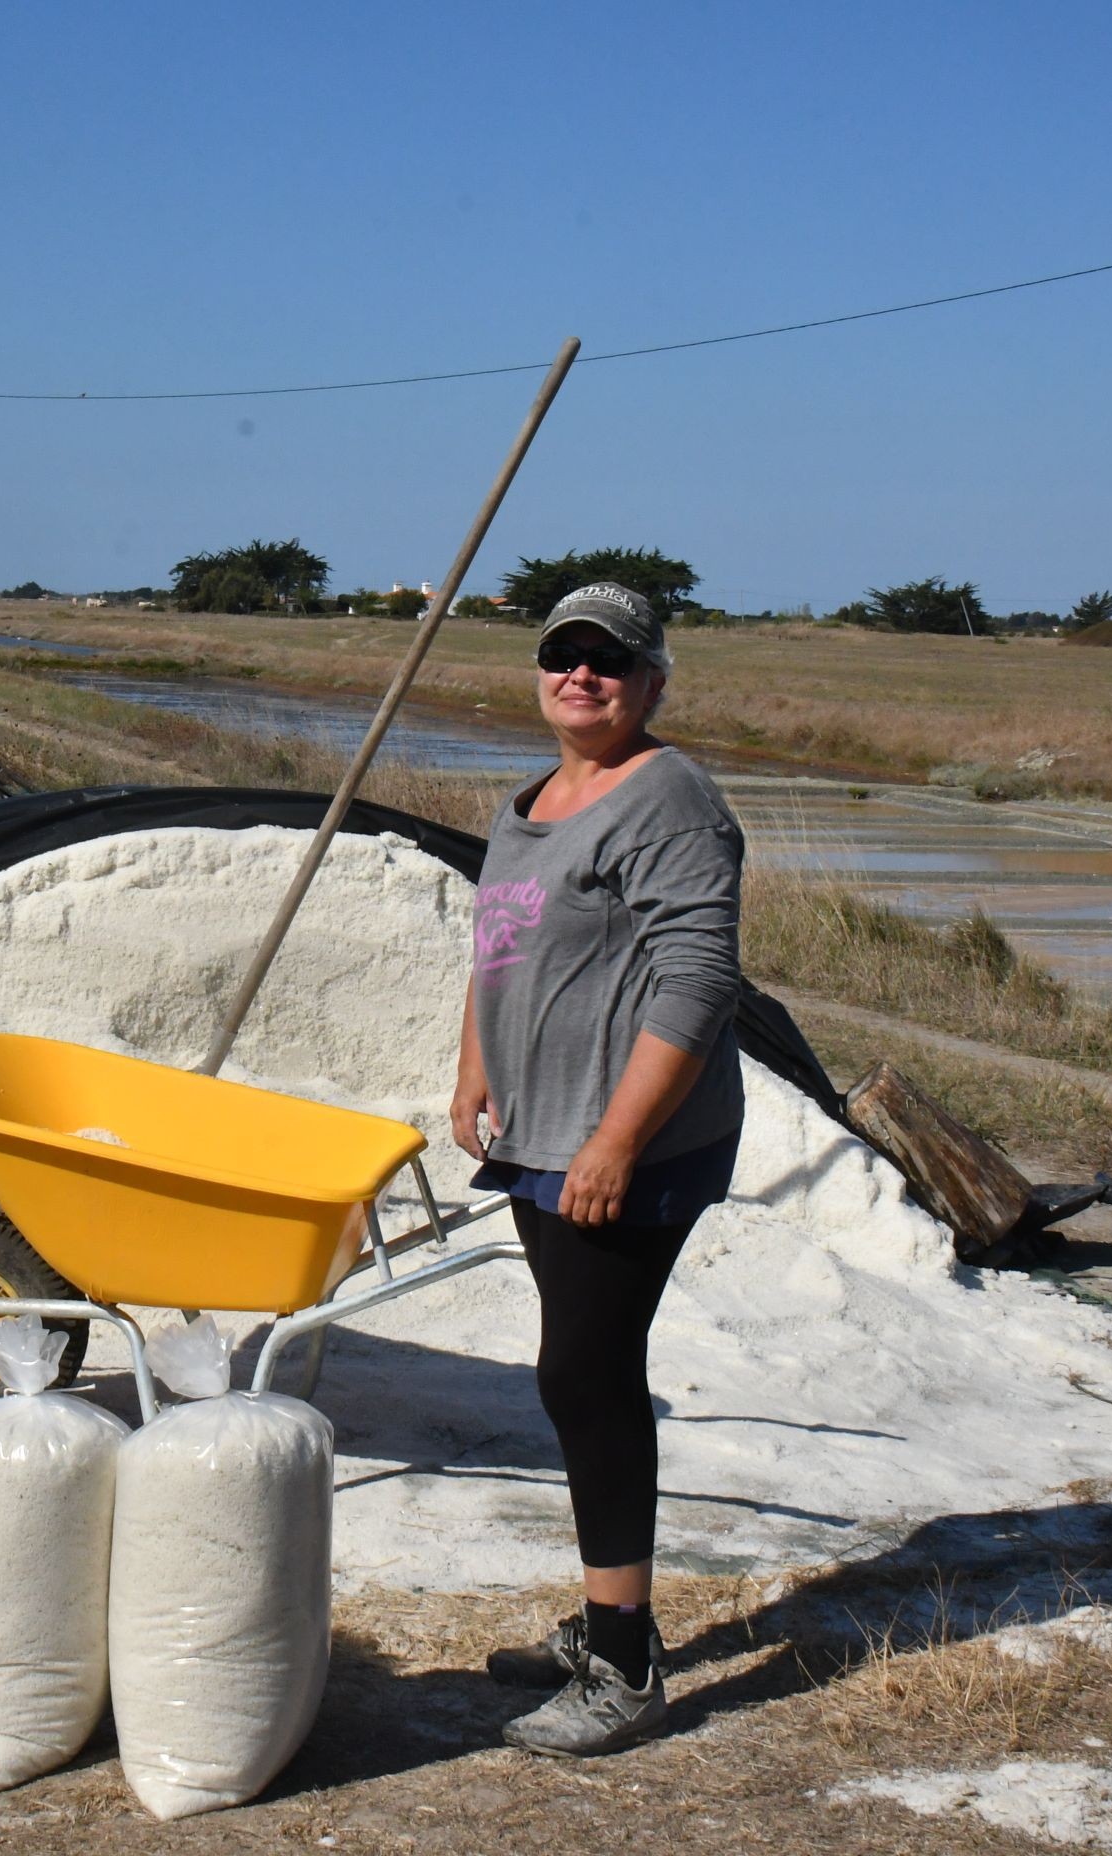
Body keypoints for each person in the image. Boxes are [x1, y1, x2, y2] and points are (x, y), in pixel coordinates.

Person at [450, 582, 747, 1757]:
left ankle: (623, 1664)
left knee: (587, 1373)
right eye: (563, 654)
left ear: (653, 679)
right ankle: (604, 1617)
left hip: (627, 1143)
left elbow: (697, 980)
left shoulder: (671, 798)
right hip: (541, 1131)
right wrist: (473, 1062)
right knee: (579, 1369)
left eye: (609, 660)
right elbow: (499, 945)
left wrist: (617, 1140)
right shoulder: (531, 799)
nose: (583, 675)